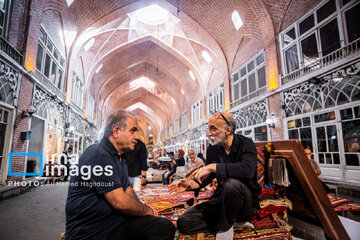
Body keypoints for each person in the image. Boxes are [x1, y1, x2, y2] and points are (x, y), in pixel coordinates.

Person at [65, 110, 175, 240]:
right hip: (92, 231)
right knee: (162, 228)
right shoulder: (99, 155)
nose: (137, 137)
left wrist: (143, 209)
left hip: (112, 223)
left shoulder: (119, 156)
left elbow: (127, 189)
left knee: (162, 226)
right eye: (133, 131)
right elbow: (120, 202)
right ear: (116, 131)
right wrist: (148, 211)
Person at [169, 112, 261, 237]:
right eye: (208, 128)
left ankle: (225, 229)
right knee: (184, 222)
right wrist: (189, 185)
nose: (208, 134)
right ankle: (232, 222)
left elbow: (247, 170)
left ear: (227, 130)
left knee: (231, 185)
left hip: (245, 204)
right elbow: (207, 178)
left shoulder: (245, 143)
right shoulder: (213, 148)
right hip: (221, 200)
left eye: (213, 129)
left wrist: (213, 167)